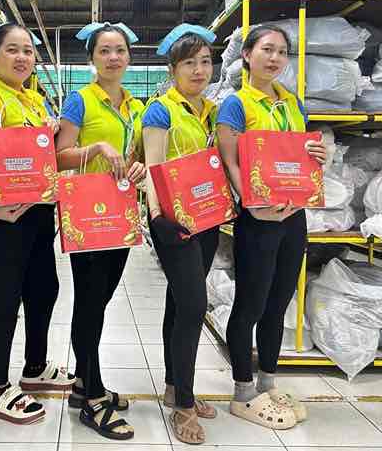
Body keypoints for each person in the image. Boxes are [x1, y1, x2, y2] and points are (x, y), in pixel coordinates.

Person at [0, 22, 74, 425]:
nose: (22, 57)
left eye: (27, 50)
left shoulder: (34, 101)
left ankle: (36, 367)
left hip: (39, 212)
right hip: (5, 217)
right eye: (12, 49)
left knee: (44, 289)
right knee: (4, 298)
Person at [216, 25, 326, 430]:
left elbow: (305, 158)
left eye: (281, 52)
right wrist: (252, 204)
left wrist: (319, 154)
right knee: (251, 303)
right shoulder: (236, 104)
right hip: (258, 220)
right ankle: (243, 391)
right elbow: (229, 163)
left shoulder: (294, 103)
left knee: (279, 304)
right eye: (266, 49)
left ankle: (268, 382)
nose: (275, 58)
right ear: (247, 55)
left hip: (294, 217)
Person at [55, 22, 146, 440]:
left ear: (129, 57)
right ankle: (91, 397)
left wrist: (138, 165)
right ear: (92, 59)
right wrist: (95, 148)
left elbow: (137, 156)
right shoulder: (80, 101)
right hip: (88, 214)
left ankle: (82, 382)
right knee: (90, 302)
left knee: (102, 300)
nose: (113, 58)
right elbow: (59, 156)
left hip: (121, 214)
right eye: (105, 51)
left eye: (120, 51)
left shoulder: (135, 106)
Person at [141, 23, 223, 445]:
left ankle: (175, 384)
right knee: (194, 305)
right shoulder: (161, 109)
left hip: (207, 220)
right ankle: (184, 405)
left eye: (205, 61)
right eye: (189, 62)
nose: (199, 69)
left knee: (179, 302)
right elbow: (153, 165)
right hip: (174, 223)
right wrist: (159, 219)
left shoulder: (210, 110)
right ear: (173, 68)